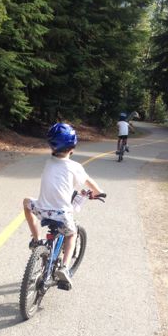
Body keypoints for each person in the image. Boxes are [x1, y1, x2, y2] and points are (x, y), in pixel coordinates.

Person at [23, 122, 104, 288]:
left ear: (51, 146)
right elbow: (88, 182)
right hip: (61, 214)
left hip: (42, 210)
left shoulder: (49, 162)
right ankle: (65, 268)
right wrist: (98, 191)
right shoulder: (75, 167)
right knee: (71, 234)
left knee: (26, 202)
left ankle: (37, 240)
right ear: (72, 147)